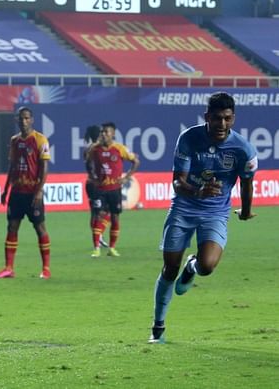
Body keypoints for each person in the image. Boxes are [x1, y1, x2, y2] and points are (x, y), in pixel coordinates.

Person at [148, 92, 257, 344]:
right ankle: (158, 326)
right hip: (183, 208)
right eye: (217, 118)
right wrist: (197, 191)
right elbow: (177, 182)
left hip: (215, 212)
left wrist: (247, 210)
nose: (222, 124)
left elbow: (247, 183)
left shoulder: (243, 149)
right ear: (207, 117)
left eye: (228, 119)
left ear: (233, 118)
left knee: (207, 266)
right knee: (169, 268)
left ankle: (192, 267)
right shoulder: (188, 138)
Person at [0, 106, 52, 279]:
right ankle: (9, 268)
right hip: (17, 192)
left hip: (33, 193)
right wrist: (5, 189)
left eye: (26, 118)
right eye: (21, 118)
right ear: (16, 120)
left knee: (40, 228)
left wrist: (39, 191)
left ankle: (46, 268)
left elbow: (44, 167)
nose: (23, 121)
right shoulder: (14, 141)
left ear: (32, 120)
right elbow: (12, 166)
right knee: (12, 226)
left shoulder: (41, 140)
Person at [86, 122, 140, 258]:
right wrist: (92, 176)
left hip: (114, 189)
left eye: (106, 132)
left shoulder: (119, 149)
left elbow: (136, 162)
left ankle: (112, 248)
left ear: (113, 134)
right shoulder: (94, 149)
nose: (103, 134)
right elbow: (87, 162)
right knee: (98, 215)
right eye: (102, 132)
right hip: (99, 189)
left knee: (115, 217)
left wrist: (126, 177)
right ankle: (96, 248)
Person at [83, 125, 109, 249]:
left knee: (99, 212)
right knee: (100, 212)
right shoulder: (94, 149)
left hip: (94, 184)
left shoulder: (90, 149)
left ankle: (99, 236)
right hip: (95, 185)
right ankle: (98, 238)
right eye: (101, 133)